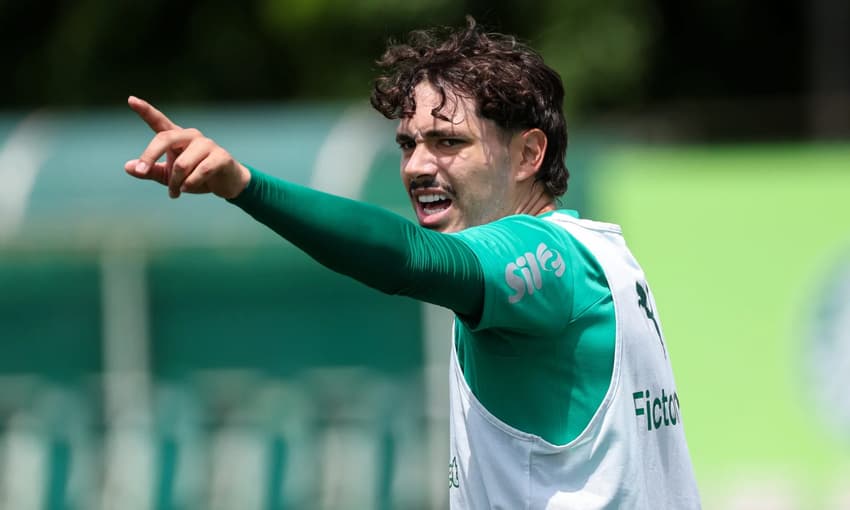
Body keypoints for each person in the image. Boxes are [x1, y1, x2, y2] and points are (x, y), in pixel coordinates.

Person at [124, 16, 700, 510]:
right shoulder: (603, 254)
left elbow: (411, 258)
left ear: (528, 154)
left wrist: (244, 186)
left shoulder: (548, 257)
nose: (418, 166)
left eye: (448, 142)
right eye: (407, 144)